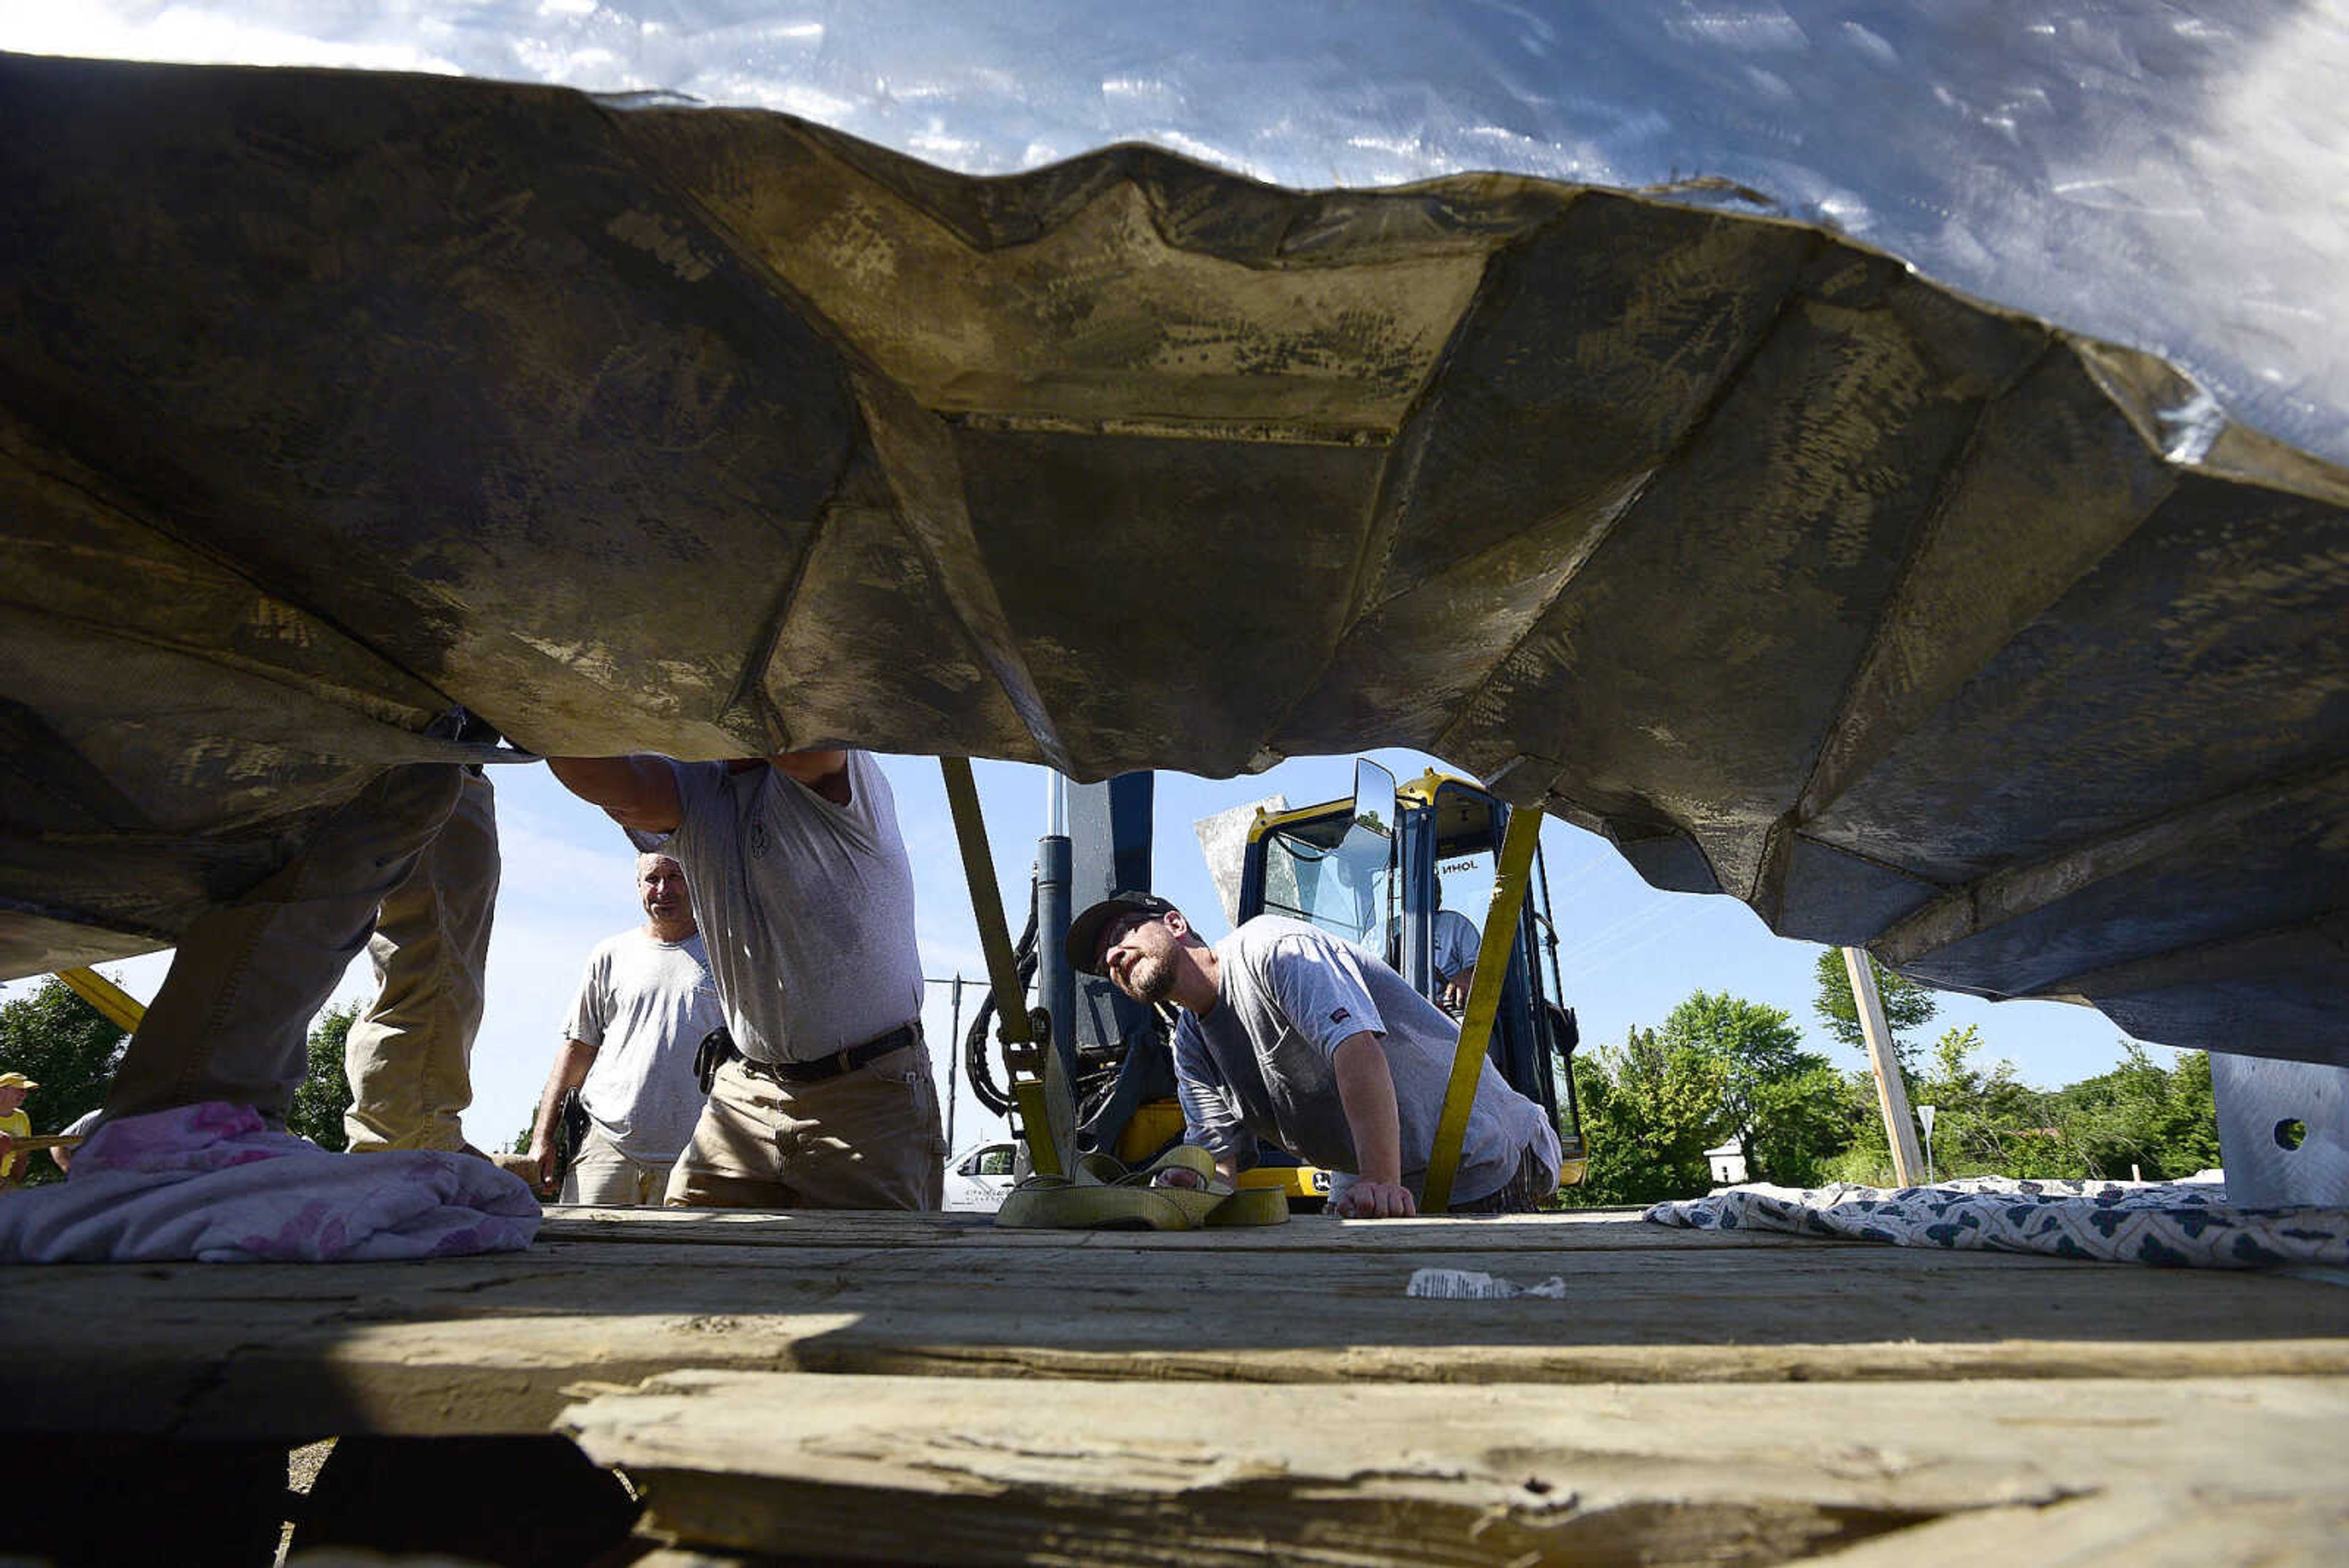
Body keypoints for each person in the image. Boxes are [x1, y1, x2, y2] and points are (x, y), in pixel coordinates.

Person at [546, 748, 944, 1209]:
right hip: (747, 1090)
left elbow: (805, 741)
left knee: (872, 1268)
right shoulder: (698, 790)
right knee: (687, 1256)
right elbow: (601, 774)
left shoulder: (833, 769)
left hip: (865, 1093)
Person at [1068, 892, 1560, 1219]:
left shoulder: (1272, 949)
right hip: (1372, 1180)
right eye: (1101, 963)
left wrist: (1381, 1181)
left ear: (1175, 923)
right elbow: (1221, 1164)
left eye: (1123, 934)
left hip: (1477, 1154)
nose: (1112, 957)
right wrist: (1188, 1187)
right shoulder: (1191, 1046)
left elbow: (1357, 1050)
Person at [524, 853, 723, 1204]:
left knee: (692, 1259)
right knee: (582, 1254)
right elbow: (578, 1050)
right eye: (653, 879)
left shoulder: (730, 957)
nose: (664, 889)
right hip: (607, 1148)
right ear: (638, 887)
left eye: (675, 876)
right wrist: (543, 1137)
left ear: (697, 878)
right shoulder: (611, 954)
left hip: (702, 1155)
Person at [0, 1072, 35, 1183]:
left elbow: (23, 1155)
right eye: (19, 1090)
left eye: (25, 1091)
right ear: (1, 1091)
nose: (24, 1095)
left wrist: (13, 1182)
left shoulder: (22, 1117)